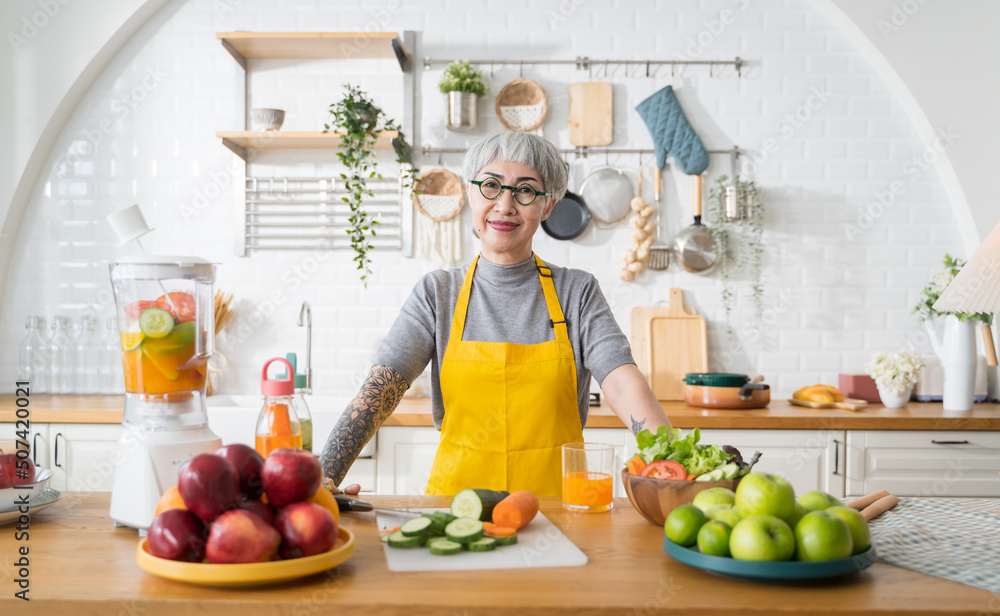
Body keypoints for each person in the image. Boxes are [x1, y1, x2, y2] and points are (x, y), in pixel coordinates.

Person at [321, 130, 670, 497]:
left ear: (548, 205)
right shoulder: (438, 293)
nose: (505, 205)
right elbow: (381, 389)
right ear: (471, 193)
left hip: (556, 514)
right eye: (491, 185)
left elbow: (620, 382)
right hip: (456, 513)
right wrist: (325, 476)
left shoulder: (577, 292)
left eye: (525, 190)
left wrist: (676, 459)